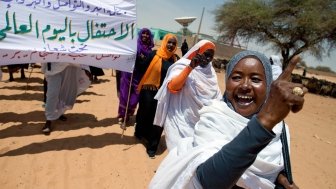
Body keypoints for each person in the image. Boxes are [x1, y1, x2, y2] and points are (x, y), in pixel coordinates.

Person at [149, 50, 306, 188]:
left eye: (256, 79)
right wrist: (264, 122)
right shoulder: (213, 118)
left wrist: (279, 179)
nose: (245, 85)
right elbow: (208, 180)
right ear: (227, 82)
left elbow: (265, 169)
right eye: (236, 77)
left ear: (268, 87)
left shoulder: (279, 129)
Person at [153, 39, 222, 150]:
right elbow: (172, 87)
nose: (208, 58)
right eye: (206, 54)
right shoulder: (182, 65)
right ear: (198, 52)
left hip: (200, 123)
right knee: (177, 152)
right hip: (180, 118)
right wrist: (190, 68)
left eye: (211, 56)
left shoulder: (211, 72)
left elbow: (216, 95)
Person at [135, 33, 179, 158]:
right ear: (165, 42)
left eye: (174, 43)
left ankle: (152, 147)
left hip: (165, 94)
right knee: (145, 114)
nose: (171, 45)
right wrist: (135, 58)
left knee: (158, 120)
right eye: (169, 42)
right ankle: (139, 132)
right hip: (149, 91)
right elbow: (142, 67)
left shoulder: (176, 60)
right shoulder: (154, 54)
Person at [41, 62, 91, 135]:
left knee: (64, 92)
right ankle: (49, 120)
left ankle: (59, 113)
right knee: (52, 94)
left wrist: (86, 68)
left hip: (70, 66)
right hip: (53, 68)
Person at [117, 28, 154, 124]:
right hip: (128, 74)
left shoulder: (150, 51)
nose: (145, 35)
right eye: (143, 33)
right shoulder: (134, 45)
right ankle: (123, 116)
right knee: (125, 95)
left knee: (135, 98)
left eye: (147, 34)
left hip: (140, 77)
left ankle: (128, 113)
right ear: (140, 34)